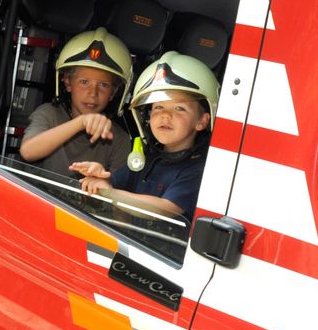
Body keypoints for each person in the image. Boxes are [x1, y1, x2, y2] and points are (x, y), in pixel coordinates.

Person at [71, 51, 220, 220]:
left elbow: (166, 209)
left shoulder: (199, 169)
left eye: (179, 108)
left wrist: (110, 192)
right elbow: (115, 189)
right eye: (158, 107)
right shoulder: (145, 159)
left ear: (202, 121)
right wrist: (102, 178)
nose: (165, 115)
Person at [19, 27, 132, 178]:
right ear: (68, 83)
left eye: (104, 85)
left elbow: (117, 188)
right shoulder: (49, 114)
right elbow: (28, 152)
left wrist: (104, 181)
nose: (93, 93)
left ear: (113, 92)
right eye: (84, 82)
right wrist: (81, 122)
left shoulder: (119, 139)